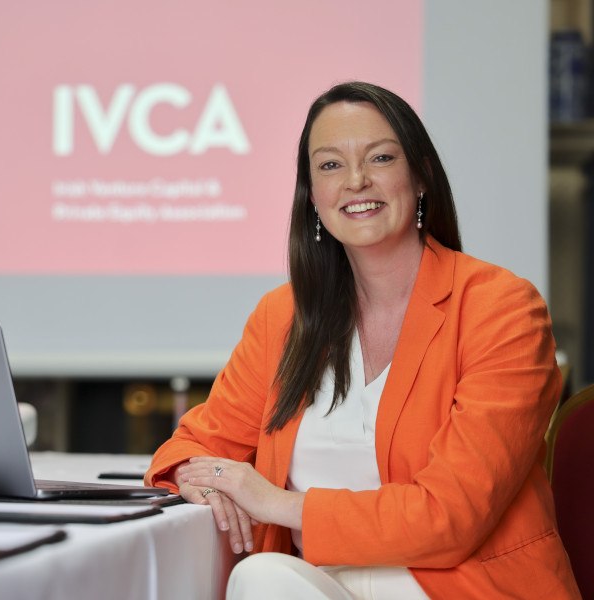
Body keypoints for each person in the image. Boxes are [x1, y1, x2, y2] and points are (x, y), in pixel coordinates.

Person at [145, 81, 581, 599]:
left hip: (458, 587)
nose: (356, 181)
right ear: (312, 194)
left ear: (419, 174)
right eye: (330, 165)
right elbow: (193, 446)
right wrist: (199, 475)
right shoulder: (282, 317)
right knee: (261, 576)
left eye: (379, 158)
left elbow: (450, 516)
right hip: (316, 584)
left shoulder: (501, 308)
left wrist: (277, 503)